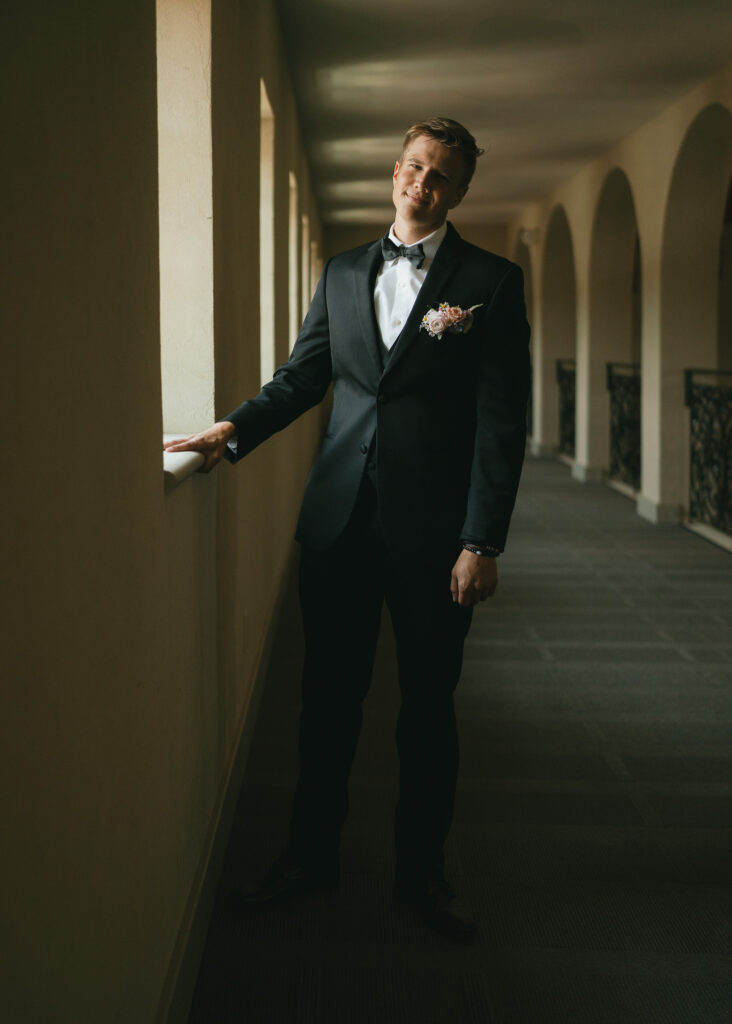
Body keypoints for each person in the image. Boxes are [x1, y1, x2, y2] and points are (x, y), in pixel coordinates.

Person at [164, 117, 530, 943]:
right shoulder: (339, 273)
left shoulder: (491, 283)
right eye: (411, 167)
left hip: (437, 537)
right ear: (393, 171)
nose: (420, 185)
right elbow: (303, 377)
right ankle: (308, 857)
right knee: (327, 703)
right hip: (338, 521)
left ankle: (423, 873)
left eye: (439, 176)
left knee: (427, 711)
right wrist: (232, 429)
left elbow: (501, 426)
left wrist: (483, 541)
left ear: (459, 192)